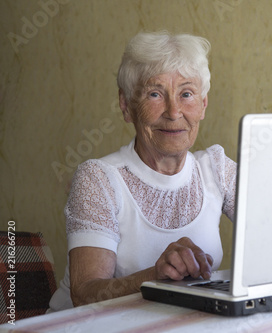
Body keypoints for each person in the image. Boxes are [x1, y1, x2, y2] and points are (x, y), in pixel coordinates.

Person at [49, 31, 237, 311]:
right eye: (154, 94)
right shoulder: (99, 179)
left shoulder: (217, 169)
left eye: (186, 94)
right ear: (127, 106)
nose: (174, 112)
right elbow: (84, 294)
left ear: (203, 105)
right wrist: (154, 276)